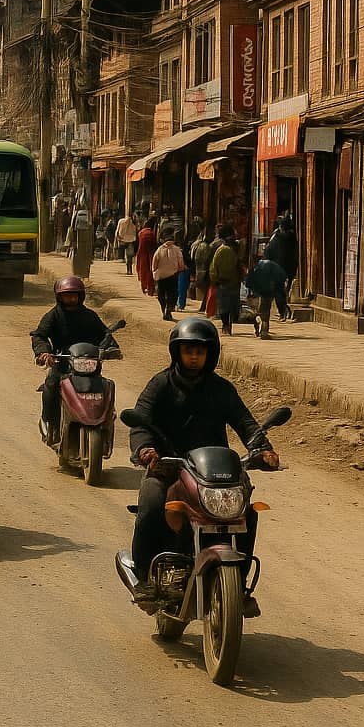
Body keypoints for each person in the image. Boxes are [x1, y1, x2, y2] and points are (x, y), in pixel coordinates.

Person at [127, 317, 280, 608]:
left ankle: (240, 586)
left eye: (200, 351)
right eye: (188, 350)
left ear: (211, 354)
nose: (194, 357)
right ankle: (145, 576)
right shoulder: (160, 385)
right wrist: (146, 449)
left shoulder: (222, 389)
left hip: (215, 472)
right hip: (168, 467)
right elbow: (140, 423)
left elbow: (245, 423)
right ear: (177, 352)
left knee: (246, 512)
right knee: (150, 503)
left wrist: (262, 449)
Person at [31, 275, 116, 445]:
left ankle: (105, 422)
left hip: (88, 364)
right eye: (66, 295)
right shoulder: (53, 315)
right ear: (59, 297)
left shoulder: (90, 316)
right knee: (51, 384)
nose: (70, 299)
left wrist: (111, 349)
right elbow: (39, 335)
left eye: (74, 295)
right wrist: (44, 352)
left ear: (80, 296)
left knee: (105, 387)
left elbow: (105, 335)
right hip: (62, 363)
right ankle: (50, 423)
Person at [209, 224, 243, 334]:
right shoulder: (237, 248)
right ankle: (229, 324)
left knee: (223, 306)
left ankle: (225, 325)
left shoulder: (220, 249)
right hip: (234, 282)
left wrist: (214, 279)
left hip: (222, 283)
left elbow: (213, 268)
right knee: (232, 304)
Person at [262, 216, 298, 319]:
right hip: (289, 269)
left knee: (277, 291)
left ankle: (283, 311)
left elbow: (268, 252)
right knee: (283, 290)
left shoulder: (276, 238)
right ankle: (284, 309)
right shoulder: (293, 239)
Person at [245, 255, 288, 339]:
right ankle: (264, 331)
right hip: (270, 291)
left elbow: (248, 282)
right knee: (265, 310)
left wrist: (252, 291)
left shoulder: (255, 268)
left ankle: (261, 330)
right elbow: (282, 276)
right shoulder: (273, 265)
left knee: (258, 311)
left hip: (259, 292)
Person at [151, 227, 184, 321]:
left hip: (161, 276)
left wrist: (155, 272)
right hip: (173, 276)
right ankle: (168, 310)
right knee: (172, 294)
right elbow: (181, 263)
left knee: (161, 294)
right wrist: (179, 269)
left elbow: (154, 263)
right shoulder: (177, 250)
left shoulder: (159, 250)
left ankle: (163, 309)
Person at [135, 218, 157, 297]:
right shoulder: (151, 233)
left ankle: (143, 286)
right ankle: (150, 288)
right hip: (150, 253)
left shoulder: (141, 232)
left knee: (142, 269)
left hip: (142, 252)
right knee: (150, 269)